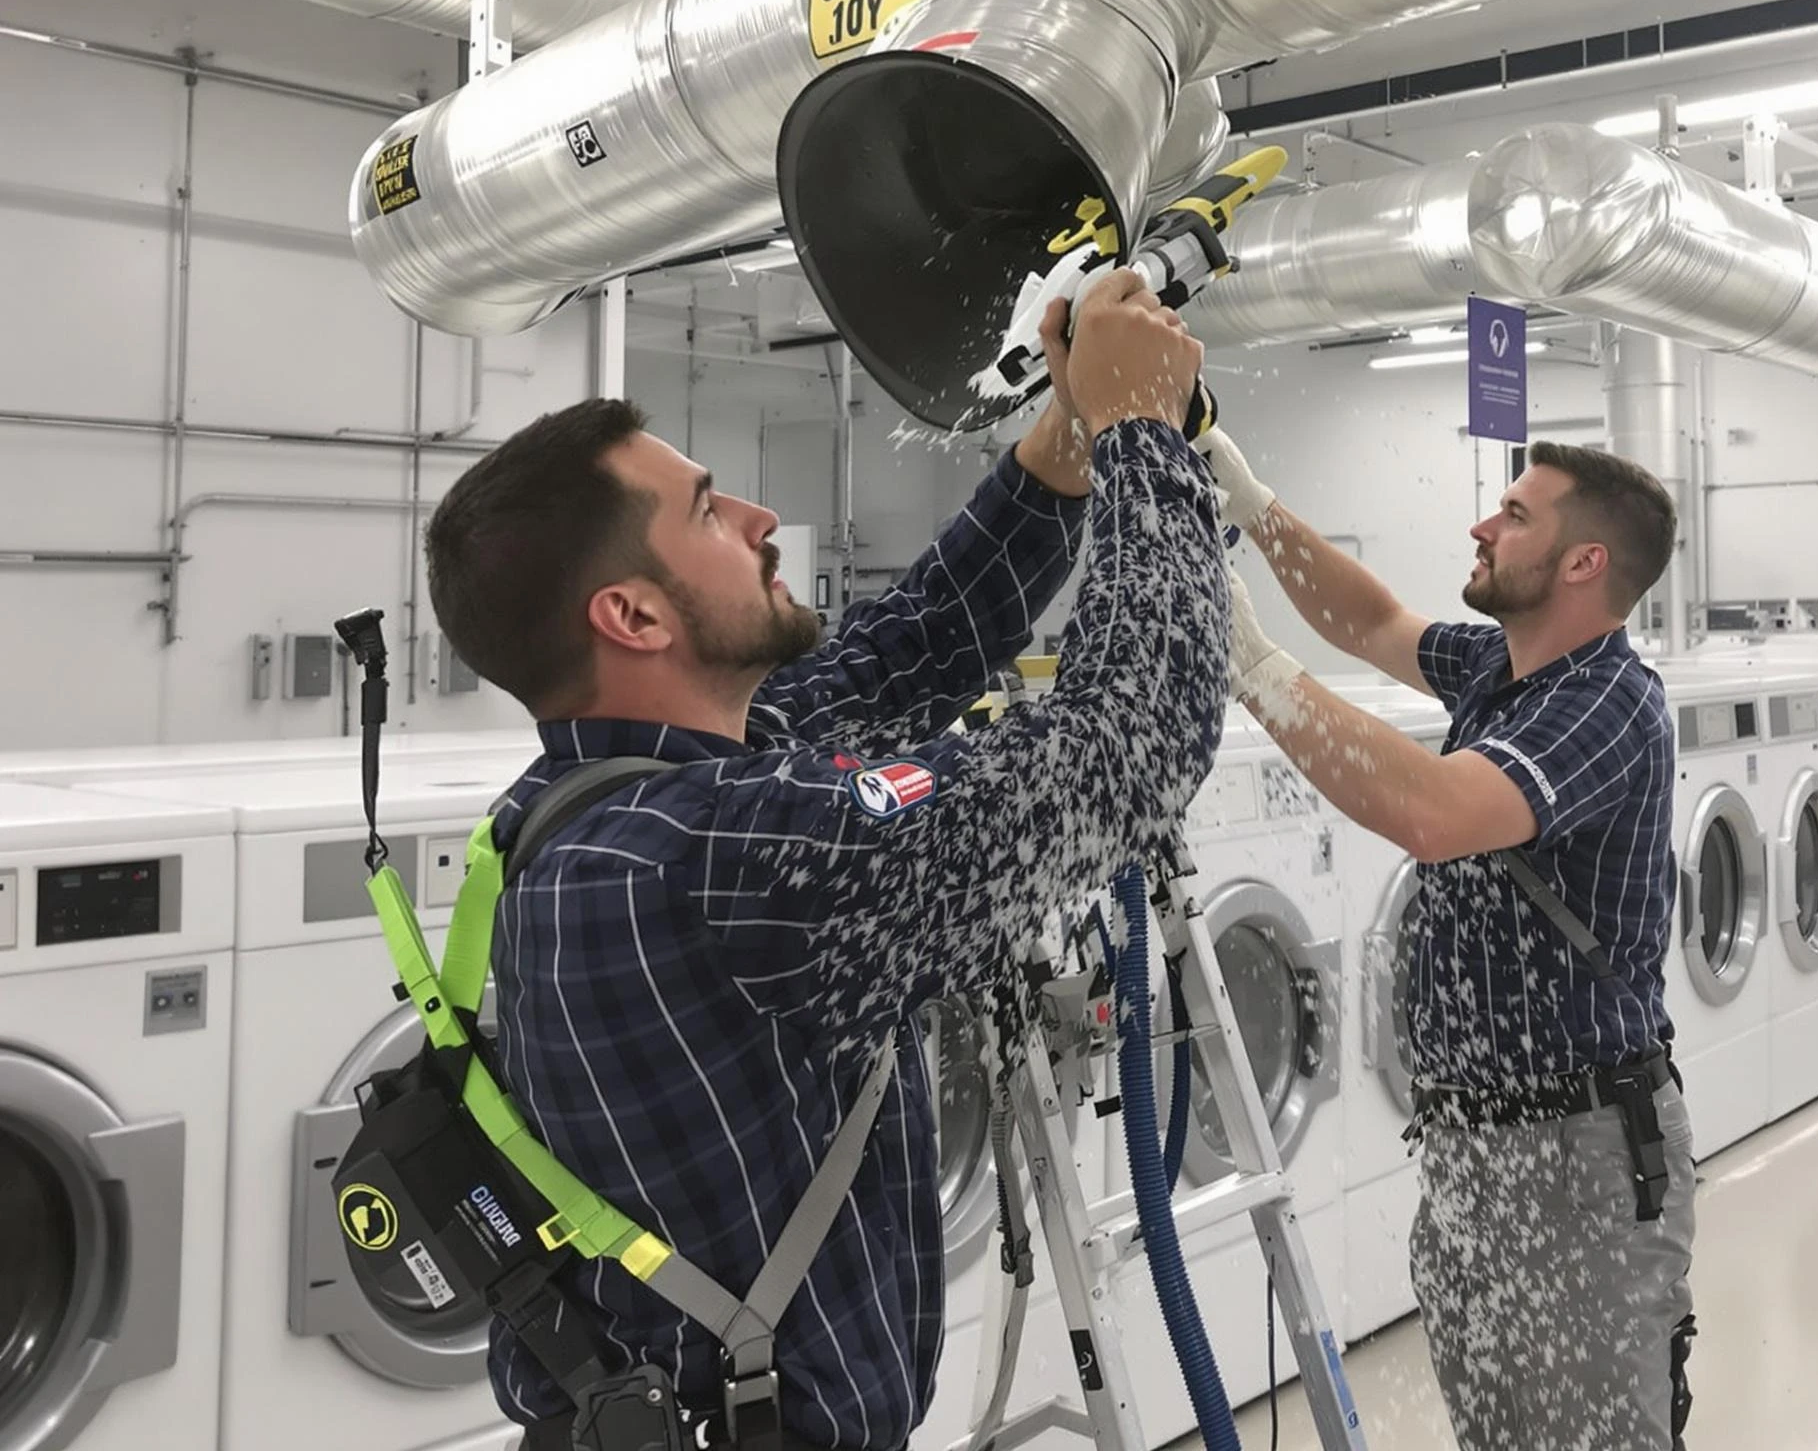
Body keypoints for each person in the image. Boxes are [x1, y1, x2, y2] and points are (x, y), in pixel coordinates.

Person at [421, 271, 1227, 1451]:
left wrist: (1072, 433)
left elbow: (918, 644)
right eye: (704, 510)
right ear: (634, 619)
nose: (757, 517)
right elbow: (1131, 744)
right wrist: (1148, 435)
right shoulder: (726, 853)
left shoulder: (590, 802)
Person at [1198, 428, 1697, 1451]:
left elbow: (1434, 809)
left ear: (1582, 562)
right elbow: (1372, 621)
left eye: (1514, 515)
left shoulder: (1607, 702)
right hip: (1469, 1146)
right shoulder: (1500, 669)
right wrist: (1248, 497)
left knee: (1590, 1436)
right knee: (1497, 1430)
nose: (1481, 523)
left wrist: (1253, 667)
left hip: (1578, 1159)